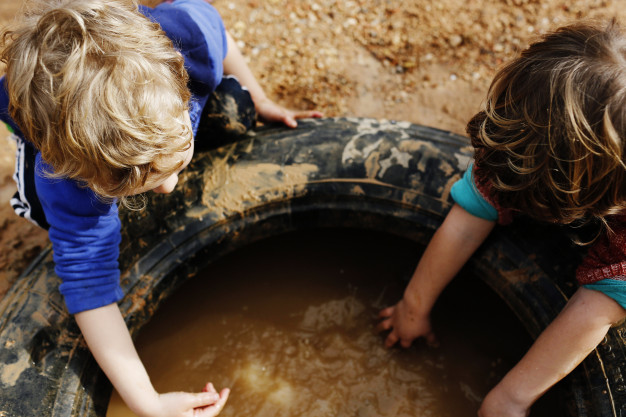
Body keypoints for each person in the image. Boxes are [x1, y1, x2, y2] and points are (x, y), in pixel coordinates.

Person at [0, 0, 321, 416]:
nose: (169, 188)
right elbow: (88, 289)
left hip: (139, 82)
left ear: (180, 83)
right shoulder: (65, 176)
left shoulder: (190, 34)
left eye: (173, 163)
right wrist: (147, 402)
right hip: (32, 118)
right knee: (53, 212)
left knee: (234, 110)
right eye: (145, 185)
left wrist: (259, 98)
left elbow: (220, 34)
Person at [378, 20, 626, 417]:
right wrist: (414, 305)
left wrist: (511, 398)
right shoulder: (527, 129)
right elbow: (470, 216)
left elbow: (599, 307)